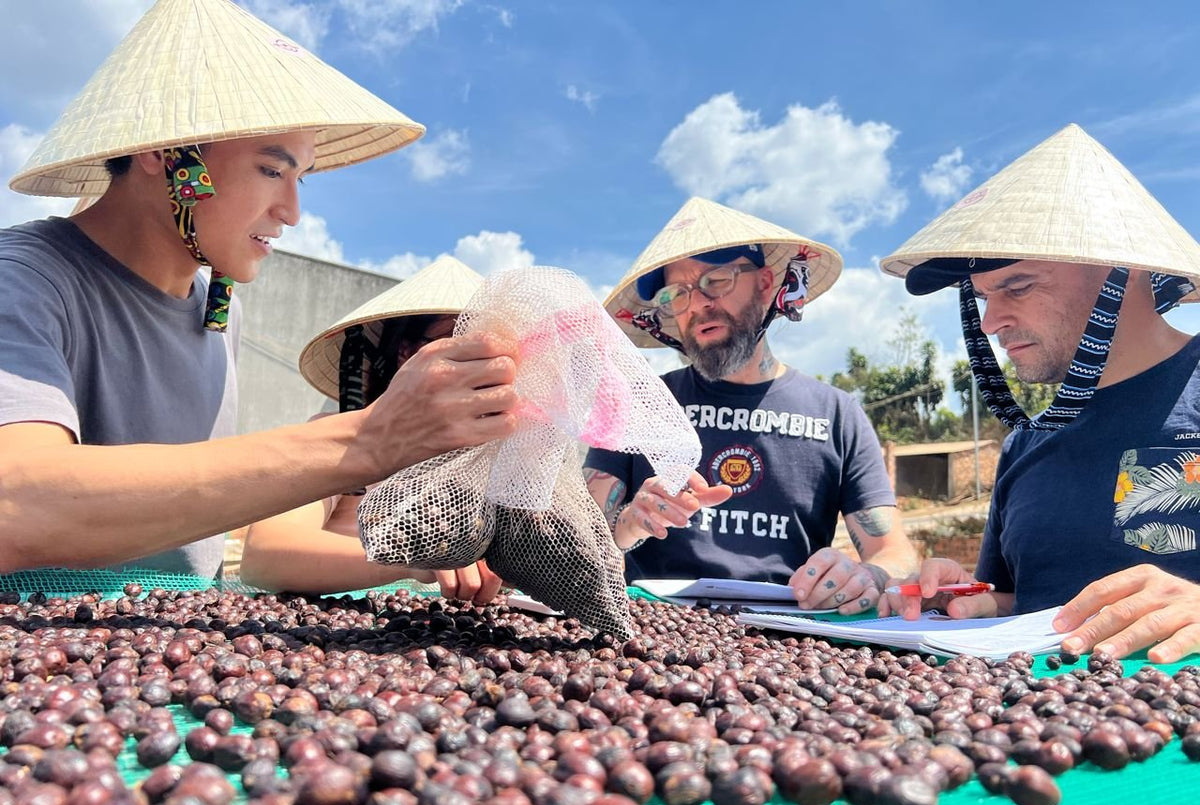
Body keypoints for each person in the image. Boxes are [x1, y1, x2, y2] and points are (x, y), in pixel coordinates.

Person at [0, 0, 518, 585]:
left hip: (175, 644)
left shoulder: (218, 307)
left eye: (301, 178)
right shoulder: (24, 276)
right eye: (272, 171)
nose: (293, 212)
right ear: (164, 152)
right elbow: (16, 502)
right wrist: (370, 438)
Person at [878, 123, 1200, 663]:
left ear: (1122, 271)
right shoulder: (1026, 444)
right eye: (981, 297)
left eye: (1018, 287)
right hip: (1039, 729)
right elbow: (1027, 603)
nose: (990, 322)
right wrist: (971, 601)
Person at [584, 197, 918, 614]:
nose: (698, 304)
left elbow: (894, 553)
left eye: (716, 279)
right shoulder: (635, 406)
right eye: (677, 294)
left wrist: (868, 574)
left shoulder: (837, 414)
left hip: (793, 635)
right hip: (654, 632)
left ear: (764, 284)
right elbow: (579, 532)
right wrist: (630, 522)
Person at [240, 256, 503, 603]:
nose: (474, 361)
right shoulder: (344, 437)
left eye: (487, 350)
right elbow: (263, 555)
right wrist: (411, 560)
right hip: (337, 638)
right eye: (453, 340)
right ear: (407, 353)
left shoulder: (496, 459)